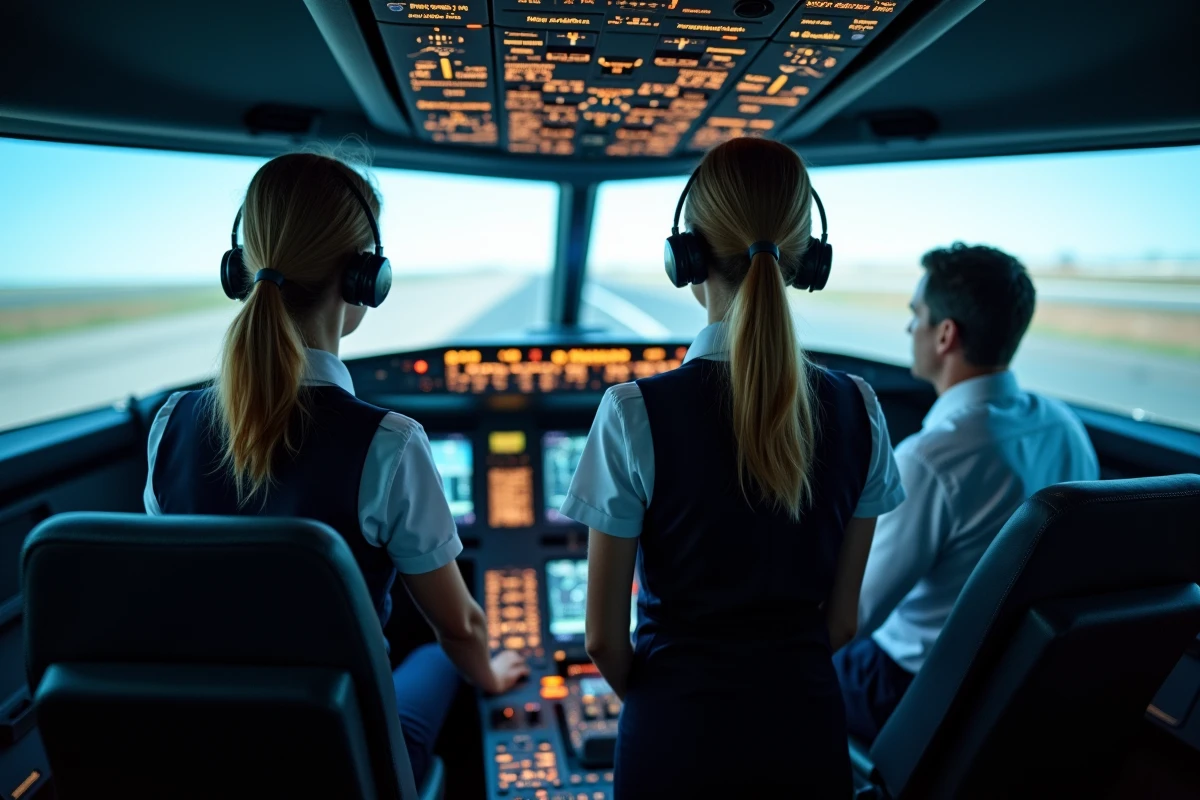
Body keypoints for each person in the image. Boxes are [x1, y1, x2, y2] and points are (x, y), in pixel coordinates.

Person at [142, 152, 527, 786]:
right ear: (363, 279)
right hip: (341, 759)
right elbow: (459, 625)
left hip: (204, 750)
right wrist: (491, 672)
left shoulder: (169, 426)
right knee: (438, 656)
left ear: (240, 270)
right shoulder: (388, 444)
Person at [559, 138, 906, 797]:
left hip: (676, 738)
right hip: (806, 733)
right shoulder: (859, 407)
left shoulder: (634, 411)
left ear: (685, 255)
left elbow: (604, 639)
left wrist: (674, 701)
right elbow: (841, 623)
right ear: (809, 260)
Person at [834, 243, 1100, 743]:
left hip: (902, 686)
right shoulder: (1064, 426)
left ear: (945, 335)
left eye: (917, 314)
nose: (909, 327)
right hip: (1010, 685)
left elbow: (851, 618)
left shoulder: (934, 459)